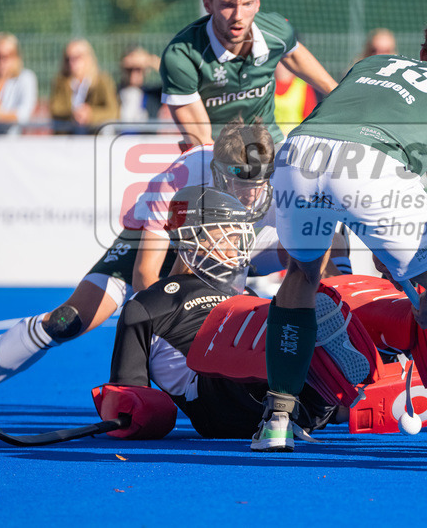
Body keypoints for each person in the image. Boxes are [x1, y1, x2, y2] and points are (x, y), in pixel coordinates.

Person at [257, 5, 427, 457]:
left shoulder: (371, 63)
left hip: (299, 154)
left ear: (423, 52)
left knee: (301, 277)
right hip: (369, 163)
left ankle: (277, 419)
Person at [0, 119, 277, 423]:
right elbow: (146, 280)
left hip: (219, 237)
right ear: (218, 170)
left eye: (259, 182)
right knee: (69, 320)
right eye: (242, 183)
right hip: (161, 241)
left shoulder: (276, 182)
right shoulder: (180, 178)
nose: (251, 194)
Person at [101, 184, 341, 440]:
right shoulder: (146, 304)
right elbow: (128, 392)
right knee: (268, 328)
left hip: (272, 390)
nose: (238, 243)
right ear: (197, 237)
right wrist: (129, 413)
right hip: (214, 396)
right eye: (229, 234)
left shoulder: (245, 293)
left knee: (295, 323)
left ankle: (335, 394)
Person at [158, 0, 337, 148]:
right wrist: (239, 175)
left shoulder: (277, 32)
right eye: (228, 5)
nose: (238, 16)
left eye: (247, 4)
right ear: (208, 4)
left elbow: (305, 66)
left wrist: (345, 101)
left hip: (270, 147)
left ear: (258, 2)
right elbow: (201, 142)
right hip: (215, 154)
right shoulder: (182, 56)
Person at [49, 39, 120, 134]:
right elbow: (55, 108)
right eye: (68, 58)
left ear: (88, 58)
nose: (71, 62)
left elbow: (113, 111)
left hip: (95, 134)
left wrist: (91, 114)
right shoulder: (60, 82)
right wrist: (74, 113)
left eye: (77, 57)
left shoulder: (102, 81)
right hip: (67, 134)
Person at [117, 45, 163, 124]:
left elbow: (178, 81)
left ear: (146, 70)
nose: (133, 74)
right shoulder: (113, 93)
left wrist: (151, 61)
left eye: (138, 69)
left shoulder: (153, 95)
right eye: (129, 69)